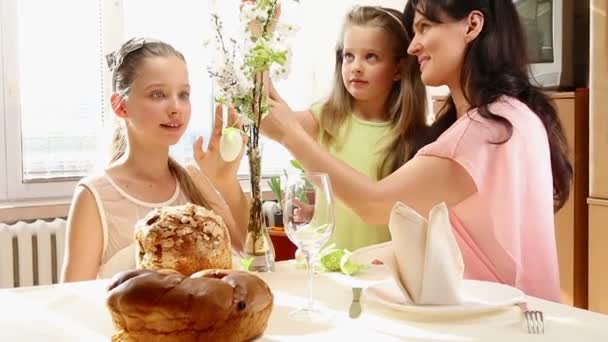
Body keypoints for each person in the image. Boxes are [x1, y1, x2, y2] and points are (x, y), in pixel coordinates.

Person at [261, 0, 572, 302]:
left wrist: (291, 135)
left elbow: (373, 204)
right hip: (524, 318)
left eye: (425, 27)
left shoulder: (484, 133)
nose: (413, 46)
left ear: (472, 25)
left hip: (489, 321)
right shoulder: (515, 116)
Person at [61, 38, 248, 282]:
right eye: (158, 94)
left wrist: (227, 182)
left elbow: (259, 259)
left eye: (184, 94)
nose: (176, 108)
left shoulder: (196, 181)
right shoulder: (94, 196)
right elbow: (75, 299)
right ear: (120, 106)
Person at [269, 5, 427, 251]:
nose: (356, 67)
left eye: (371, 56)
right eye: (348, 56)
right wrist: (260, 34)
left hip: (379, 280)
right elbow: (262, 110)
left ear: (399, 69)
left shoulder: (416, 140)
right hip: (325, 276)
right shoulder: (324, 119)